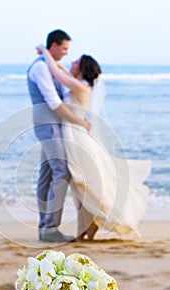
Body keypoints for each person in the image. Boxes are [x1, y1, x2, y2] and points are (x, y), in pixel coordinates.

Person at [37, 45, 151, 240]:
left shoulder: (80, 86)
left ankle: (88, 228)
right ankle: (86, 228)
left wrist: (45, 52)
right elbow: (62, 71)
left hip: (76, 137)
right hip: (73, 135)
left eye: (75, 62)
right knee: (81, 184)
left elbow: (57, 72)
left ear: (81, 69)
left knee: (84, 183)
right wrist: (54, 59)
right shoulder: (79, 83)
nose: (71, 63)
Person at [27, 29, 90, 243]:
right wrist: (79, 121)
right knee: (61, 171)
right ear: (53, 46)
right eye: (64, 48)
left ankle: (45, 228)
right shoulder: (40, 68)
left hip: (54, 125)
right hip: (48, 124)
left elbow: (64, 83)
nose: (65, 53)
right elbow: (54, 102)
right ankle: (50, 227)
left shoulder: (50, 66)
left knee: (47, 174)